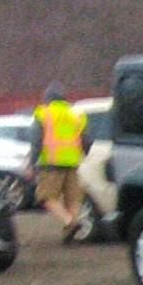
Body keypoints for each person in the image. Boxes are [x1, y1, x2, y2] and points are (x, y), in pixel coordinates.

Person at [29, 85, 90, 242]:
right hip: (73, 163)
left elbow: (36, 140)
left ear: (47, 98)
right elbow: (87, 140)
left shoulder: (43, 113)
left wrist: (32, 162)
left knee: (46, 196)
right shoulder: (75, 114)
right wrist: (84, 155)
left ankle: (70, 222)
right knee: (74, 198)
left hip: (51, 162)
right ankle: (72, 227)